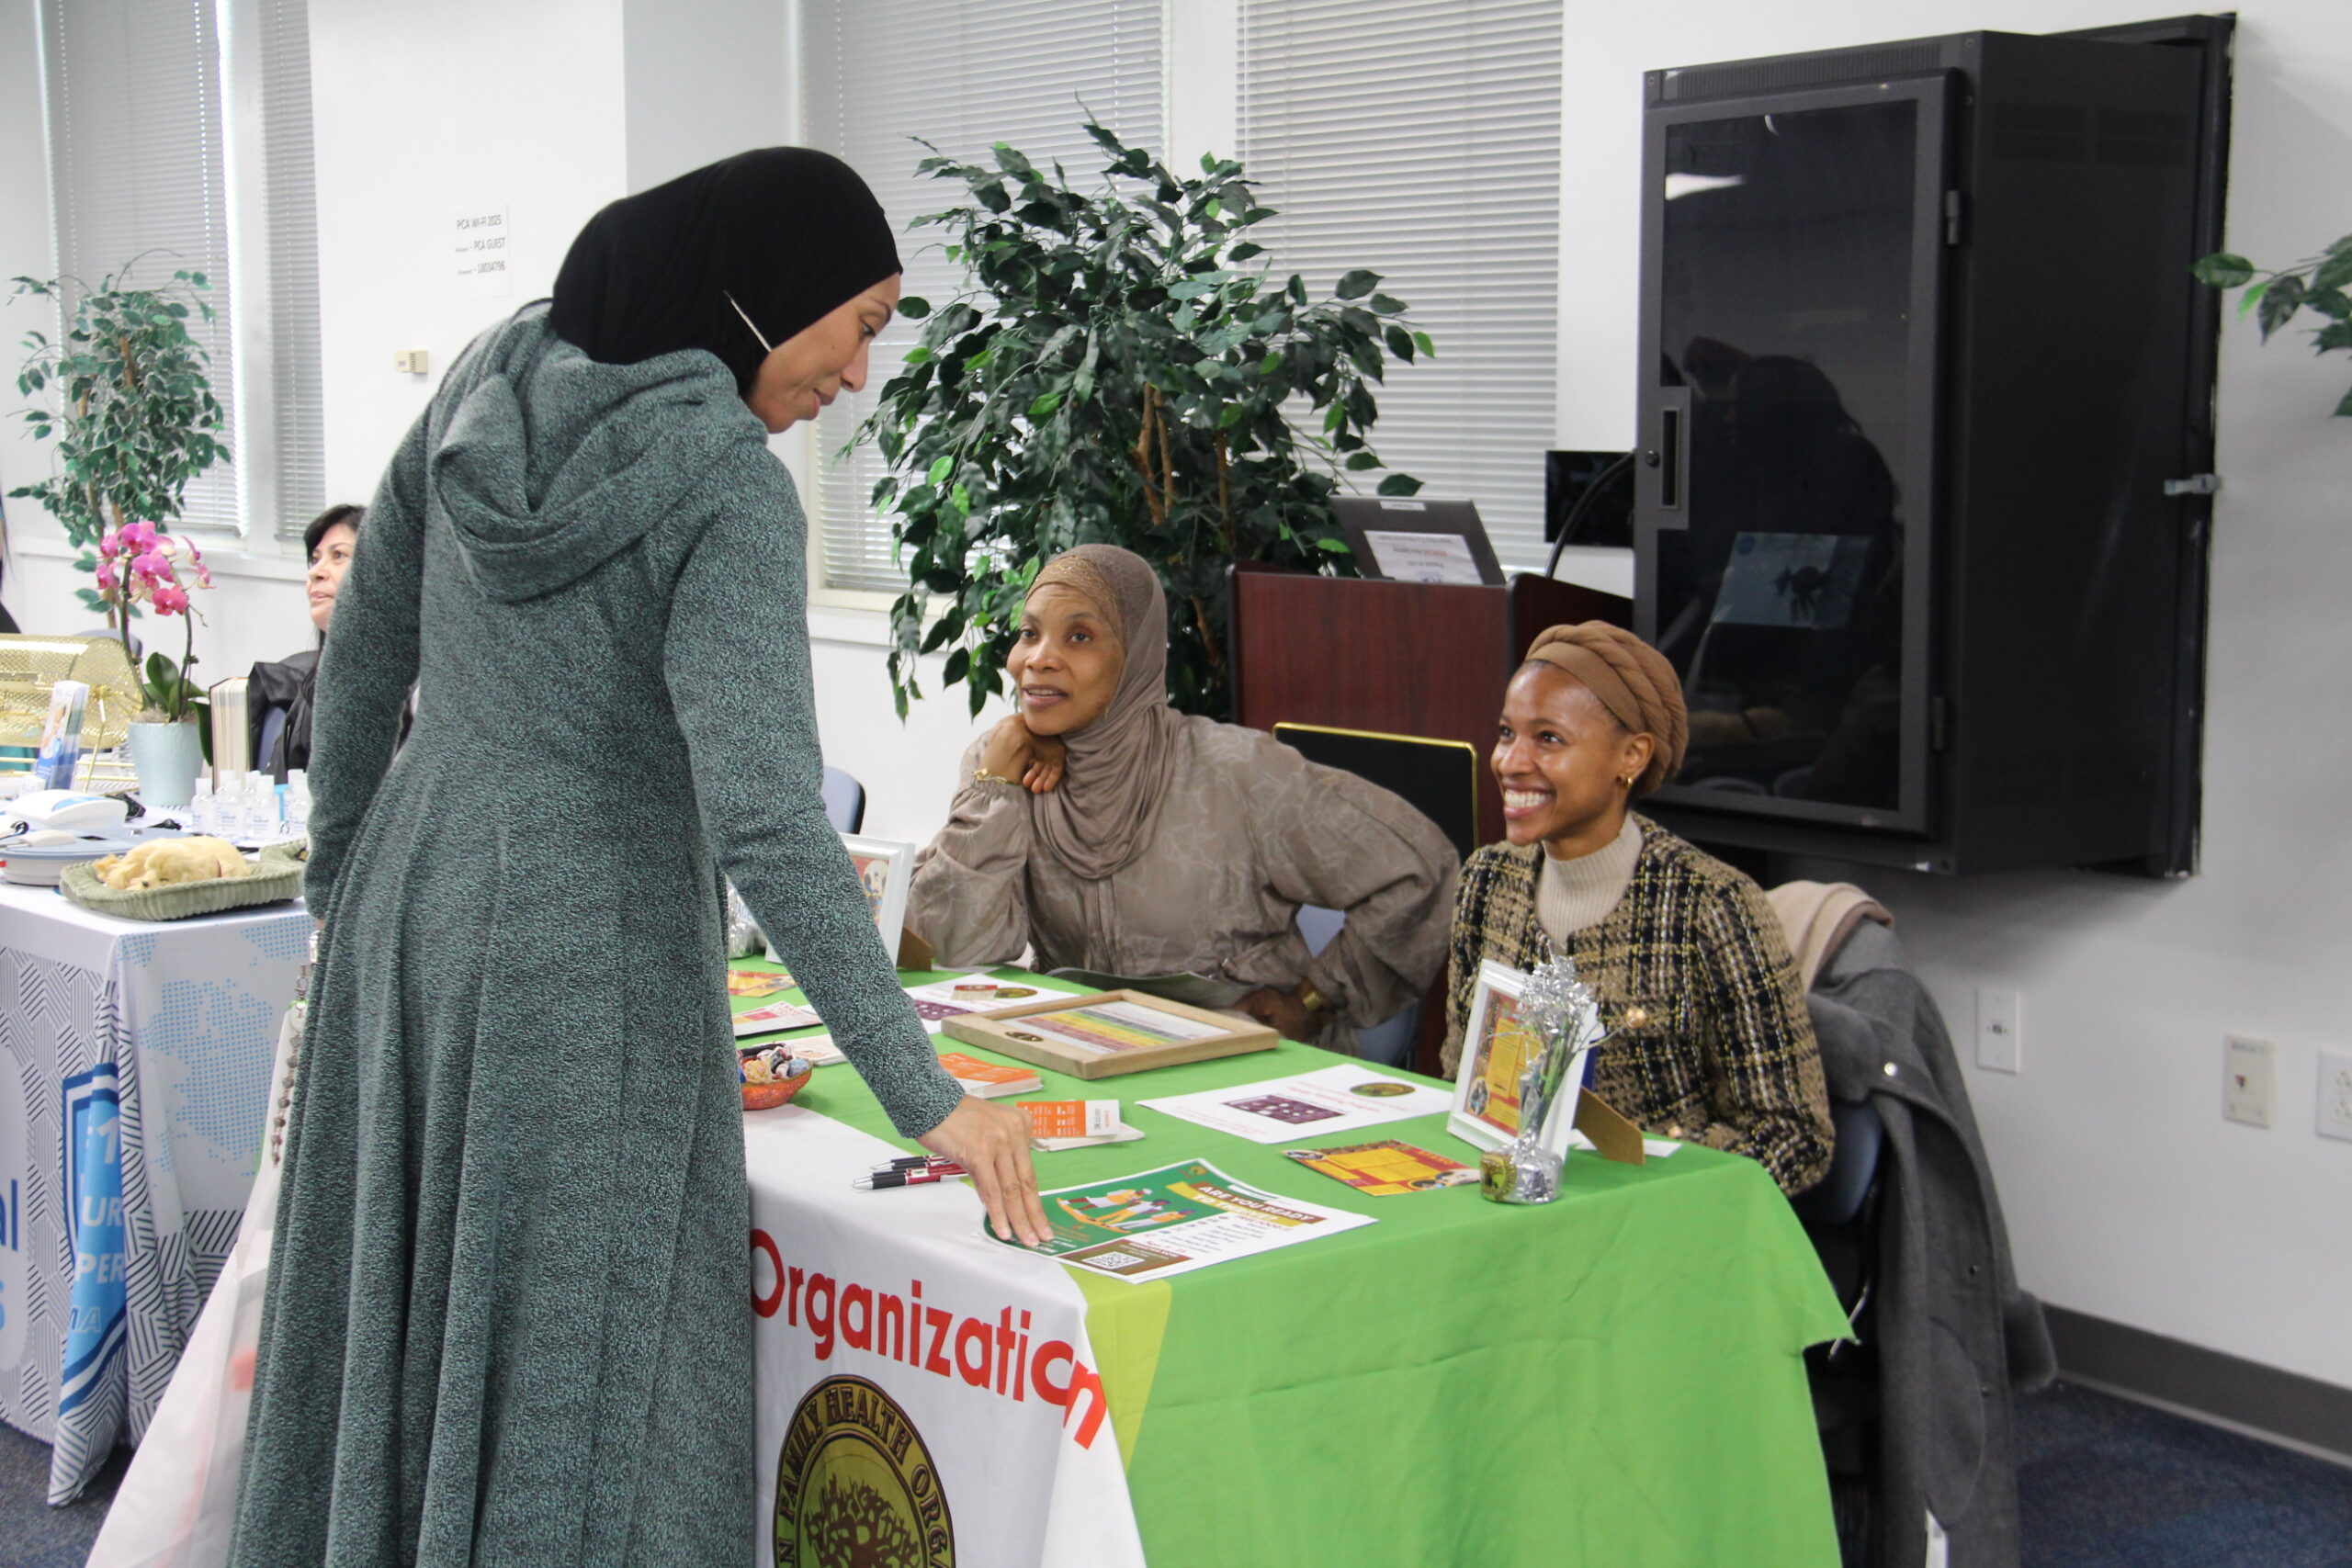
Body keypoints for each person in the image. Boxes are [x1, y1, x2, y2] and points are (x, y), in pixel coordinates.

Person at [225, 151, 1048, 1568]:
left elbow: (363, 648)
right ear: (761, 298)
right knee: (587, 1362)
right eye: (859, 321)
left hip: (415, 899)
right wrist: (927, 1094)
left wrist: (340, 892)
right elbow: (772, 818)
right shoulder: (728, 489)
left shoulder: (494, 370)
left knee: (411, 1308)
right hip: (590, 945)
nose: (858, 373)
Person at [907, 544, 1458, 1053]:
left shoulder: (1236, 772)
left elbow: (1419, 869)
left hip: (1247, 1064)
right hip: (1084, 1055)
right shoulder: (1004, 764)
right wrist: (992, 790)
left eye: (1079, 637)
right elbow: (950, 956)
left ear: (1137, 657)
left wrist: (1312, 1002)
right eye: (1029, 634)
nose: (1038, 659)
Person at [1441, 621, 1834, 1195]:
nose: (1510, 761)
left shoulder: (1712, 906)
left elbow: (1795, 1137)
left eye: (1548, 739)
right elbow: (1458, 1080)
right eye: (1507, 733)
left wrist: (1645, 1187)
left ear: (1631, 755)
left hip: (1659, 1228)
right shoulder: (1486, 879)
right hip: (1506, 1212)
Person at [245, 502, 362, 780]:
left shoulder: (415, 692)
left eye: (338, 556)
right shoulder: (316, 685)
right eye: (315, 559)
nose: (315, 572)